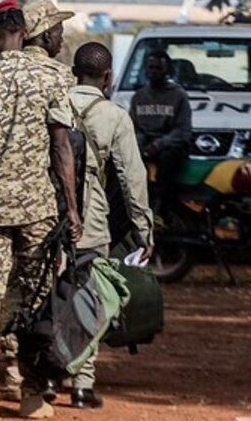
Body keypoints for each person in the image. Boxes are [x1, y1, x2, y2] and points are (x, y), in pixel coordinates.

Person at [0, 0, 80, 421]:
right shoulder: (56, 76)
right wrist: (72, 208)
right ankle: (31, 395)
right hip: (39, 210)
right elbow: (62, 147)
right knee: (36, 300)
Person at [66, 42, 155, 410]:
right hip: (90, 216)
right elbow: (133, 178)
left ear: (73, 72)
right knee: (89, 295)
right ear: (108, 77)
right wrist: (144, 230)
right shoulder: (115, 116)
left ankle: (39, 378)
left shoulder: (52, 103)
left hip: (43, 211)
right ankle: (82, 385)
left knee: (41, 294)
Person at [130, 50, 192, 187]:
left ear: (167, 71)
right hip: (145, 144)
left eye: (159, 68)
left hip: (169, 147)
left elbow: (182, 131)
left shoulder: (178, 95)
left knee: (166, 163)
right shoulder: (138, 97)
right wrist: (141, 145)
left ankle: (162, 204)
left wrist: (157, 145)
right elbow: (133, 127)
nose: (154, 72)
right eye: (151, 67)